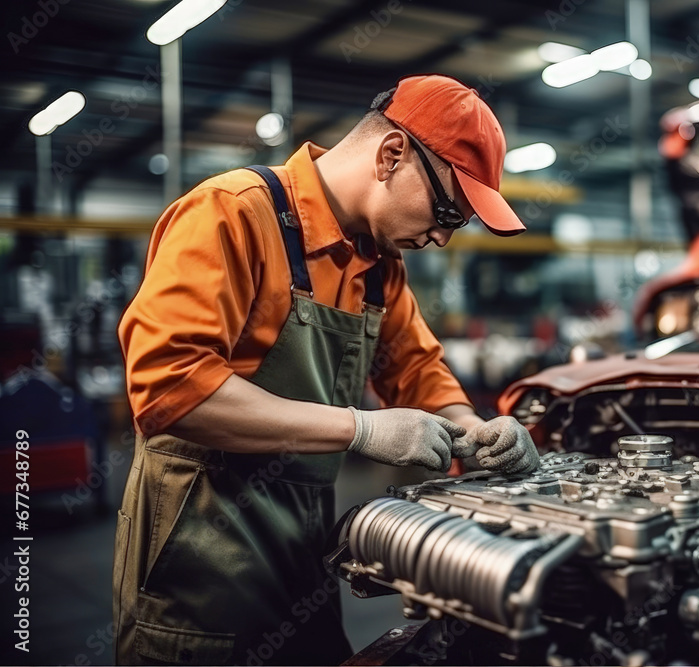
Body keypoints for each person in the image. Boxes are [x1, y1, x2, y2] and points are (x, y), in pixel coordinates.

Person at [112, 73, 540, 666]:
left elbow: (417, 370)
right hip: (199, 553)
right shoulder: (233, 214)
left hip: (302, 551)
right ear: (392, 155)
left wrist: (476, 429)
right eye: (448, 209)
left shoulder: (378, 265)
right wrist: (361, 430)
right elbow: (169, 390)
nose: (443, 235)